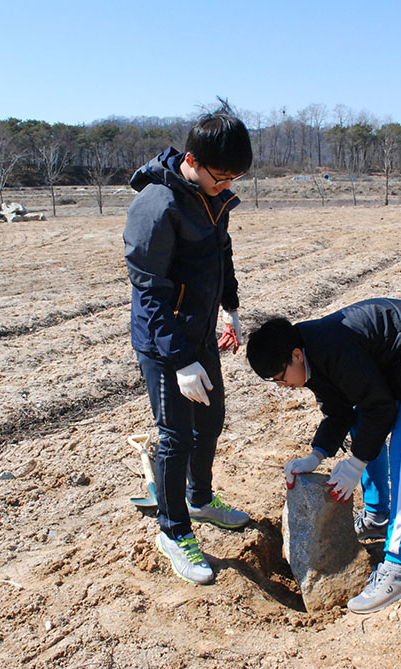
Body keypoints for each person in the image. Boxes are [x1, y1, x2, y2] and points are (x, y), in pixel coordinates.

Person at [246, 298, 401, 613]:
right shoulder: (310, 355)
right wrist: (316, 455)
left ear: (295, 355)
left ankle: (400, 569)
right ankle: (378, 517)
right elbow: (340, 411)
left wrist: (355, 464)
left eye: (281, 378)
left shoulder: (330, 348)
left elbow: (379, 407)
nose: (284, 386)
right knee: (361, 424)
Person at [124, 103, 253, 585]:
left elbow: (221, 253)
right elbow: (150, 290)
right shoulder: (156, 206)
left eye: (234, 178)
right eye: (221, 176)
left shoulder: (210, 197)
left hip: (199, 332)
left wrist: (231, 309)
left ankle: (199, 500)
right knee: (176, 434)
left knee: (211, 420)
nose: (227, 186)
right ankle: (173, 529)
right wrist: (179, 361)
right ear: (193, 160)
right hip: (164, 342)